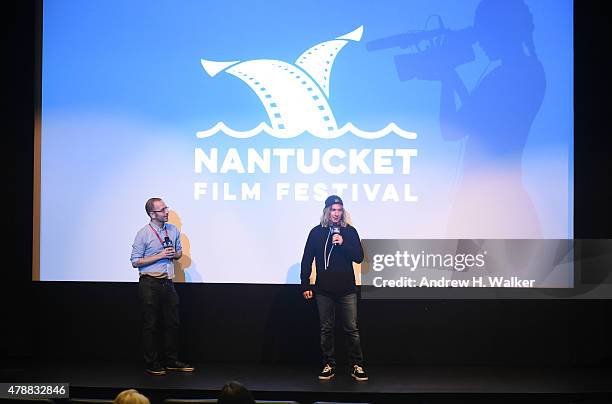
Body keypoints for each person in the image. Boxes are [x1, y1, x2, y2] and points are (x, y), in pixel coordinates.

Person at [300, 195, 368, 381]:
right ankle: (328, 364)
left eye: (339, 210)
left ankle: (357, 365)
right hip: (323, 290)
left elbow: (359, 257)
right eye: (333, 209)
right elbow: (307, 259)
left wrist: (343, 243)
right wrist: (305, 283)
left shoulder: (350, 232)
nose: (336, 213)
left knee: (351, 329)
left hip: (346, 289)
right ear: (327, 211)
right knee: (326, 329)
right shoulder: (316, 232)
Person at [130, 197, 194, 376]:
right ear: (152, 214)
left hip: (168, 282)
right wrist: (158, 256)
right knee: (150, 324)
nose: (167, 212)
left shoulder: (173, 230)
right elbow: (135, 262)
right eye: (162, 209)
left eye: (166, 208)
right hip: (149, 283)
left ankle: (171, 360)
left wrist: (176, 254)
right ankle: (152, 363)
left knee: (172, 323)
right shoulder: (143, 233)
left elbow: (179, 252)